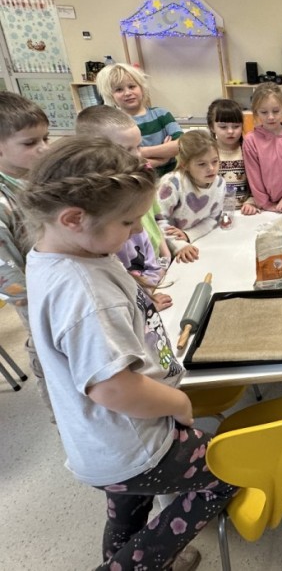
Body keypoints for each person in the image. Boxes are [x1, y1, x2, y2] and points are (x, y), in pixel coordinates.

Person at [22, 136, 237, 570]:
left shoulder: (60, 253)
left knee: (129, 508)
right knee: (227, 472)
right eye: (128, 221)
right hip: (135, 443)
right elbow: (114, 389)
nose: (139, 230)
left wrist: (136, 297)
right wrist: (178, 403)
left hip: (105, 446)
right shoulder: (84, 293)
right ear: (74, 218)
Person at [76, 105, 172, 311]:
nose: (138, 156)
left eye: (138, 146)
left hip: (150, 275)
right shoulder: (99, 209)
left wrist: (164, 261)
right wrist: (145, 301)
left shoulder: (139, 180)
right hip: (132, 296)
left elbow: (151, 225)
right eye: (126, 149)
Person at [0, 91, 50, 409]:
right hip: (42, 308)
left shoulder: (38, 179)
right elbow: (8, 280)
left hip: (66, 293)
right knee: (56, 371)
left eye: (45, 138)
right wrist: (50, 302)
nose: (43, 148)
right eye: (31, 143)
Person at [96, 62, 183, 175]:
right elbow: (125, 164)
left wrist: (140, 152)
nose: (127, 93)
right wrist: (162, 158)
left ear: (142, 88)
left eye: (132, 86)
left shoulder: (162, 114)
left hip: (169, 178)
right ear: (110, 95)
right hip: (137, 181)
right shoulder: (113, 125)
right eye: (119, 89)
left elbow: (181, 145)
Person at [156, 130, 225, 263]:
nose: (211, 168)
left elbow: (213, 218)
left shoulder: (220, 184)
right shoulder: (171, 184)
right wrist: (179, 245)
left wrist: (188, 235)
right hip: (165, 250)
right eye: (202, 164)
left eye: (215, 161)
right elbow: (156, 221)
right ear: (185, 165)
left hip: (193, 243)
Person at [242, 83, 282, 212]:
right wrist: (265, 204)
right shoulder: (251, 141)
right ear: (256, 112)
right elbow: (254, 177)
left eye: (275, 111)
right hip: (267, 207)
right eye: (264, 112)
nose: (271, 117)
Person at [206, 97, 258, 215]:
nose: (230, 131)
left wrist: (251, 202)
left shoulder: (249, 150)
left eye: (236, 126)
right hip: (214, 215)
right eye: (223, 127)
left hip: (244, 213)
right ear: (212, 127)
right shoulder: (206, 154)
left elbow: (258, 183)